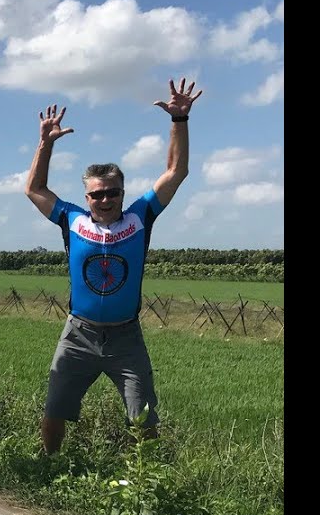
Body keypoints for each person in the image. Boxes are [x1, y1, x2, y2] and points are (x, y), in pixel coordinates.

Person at [24, 78, 202, 455]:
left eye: (112, 191)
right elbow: (35, 190)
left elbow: (175, 172)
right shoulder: (72, 219)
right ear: (86, 196)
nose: (105, 199)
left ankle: (143, 483)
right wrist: (45, 143)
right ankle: (48, 465)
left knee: (144, 417)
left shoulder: (140, 216)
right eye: (97, 193)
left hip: (126, 338)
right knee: (55, 410)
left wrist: (180, 121)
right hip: (78, 334)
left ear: (123, 192)